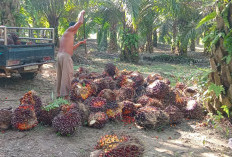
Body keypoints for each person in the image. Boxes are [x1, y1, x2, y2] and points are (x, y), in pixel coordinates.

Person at [57, 10, 87, 99]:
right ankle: (65, 96)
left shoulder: (67, 34)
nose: (77, 30)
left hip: (60, 56)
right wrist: (81, 13)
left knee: (61, 75)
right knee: (67, 75)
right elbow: (80, 22)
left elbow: (71, 48)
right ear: (74, 27)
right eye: (76, 28)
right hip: (65, 57)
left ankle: (59, 94)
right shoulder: (70, 30)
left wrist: (81, 42)